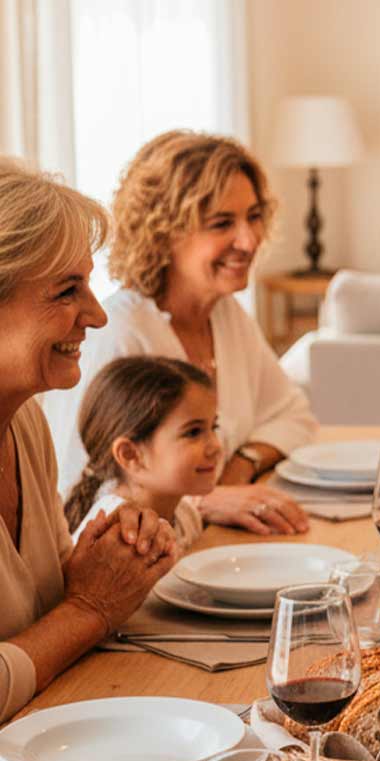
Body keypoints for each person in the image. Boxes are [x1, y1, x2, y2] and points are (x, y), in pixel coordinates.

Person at [43, 130, 318, 536]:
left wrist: (239, 465)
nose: (249, 240)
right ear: (163, 232)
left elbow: (293, 414)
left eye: (254, 216)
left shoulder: (226, 315)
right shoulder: (118, 333)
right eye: (222, 223)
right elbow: (77, 498)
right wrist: (205, 499)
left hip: (214, 545)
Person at [0, 160, 176, 723]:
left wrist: (110, 560)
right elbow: (72, 614)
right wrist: (91, 607)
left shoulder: (24, 421)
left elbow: (48, 606)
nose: (97, 315)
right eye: (66, 291)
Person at [64, 356, 221, 553]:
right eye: (193, 432)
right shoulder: (118, 535)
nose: (215, 445)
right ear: (130, 455)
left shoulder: (184, 514)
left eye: (214, 426)